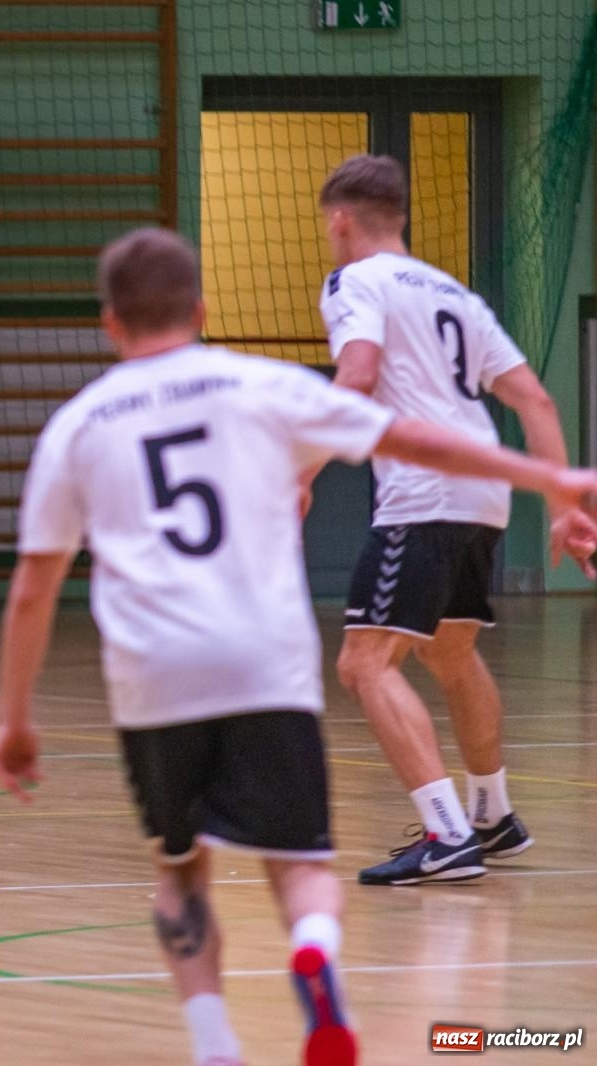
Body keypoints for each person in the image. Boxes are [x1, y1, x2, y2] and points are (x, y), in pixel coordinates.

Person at [0, 227, 597, 1066]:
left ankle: (214, 1046)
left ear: (109, 324)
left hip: (154, 677)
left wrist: (14, 721)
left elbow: (32, 587)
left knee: (181, 869)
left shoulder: (80, 424)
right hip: (263, 664)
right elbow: (410, 437)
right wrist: (552, 481)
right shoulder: (257, 384)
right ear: (199, 311)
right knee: (302, 864)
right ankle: (314, 949)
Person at [315, 154, 597, 885]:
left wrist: (298, 471)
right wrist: (563, 509)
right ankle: (491, 815)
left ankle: (446, 837)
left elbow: (357, 374)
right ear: (398, 217)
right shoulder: (453, 292)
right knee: (448, 652)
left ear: (340, 220)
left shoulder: (354, 282)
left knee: (363, 664)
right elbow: (533, 398)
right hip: (484, 495)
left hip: (424, 492)